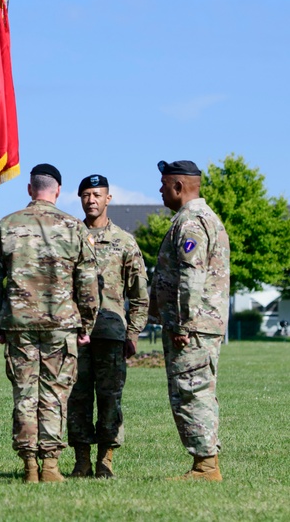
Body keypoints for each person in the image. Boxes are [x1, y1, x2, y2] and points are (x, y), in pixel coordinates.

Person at [0, 163, 98, 483]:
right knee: (54, 393)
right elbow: (88, 282)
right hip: (61, 323)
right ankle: (50, 465)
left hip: (18, 323)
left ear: (30, 189)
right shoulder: (74, 228)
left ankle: (30, 464)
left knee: (25, 393)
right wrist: (87, 323)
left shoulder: (6, 225)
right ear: (57, 190)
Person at [150, 159, 230, 481]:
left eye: (164, 184)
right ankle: (205, 464)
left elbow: (190, 277)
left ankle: (205, 467)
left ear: (178, 187)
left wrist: (182, 324)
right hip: (201, 324)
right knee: (198, 390)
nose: (160, 190)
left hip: (193, 327)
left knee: (191, 391)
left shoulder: (192, 222)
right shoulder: (203, 217)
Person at [68, 174, 149, 478]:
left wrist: (134, 333)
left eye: (97, 195)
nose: (91, 200)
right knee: (77, 396)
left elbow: (140, 293)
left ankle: (106, 459)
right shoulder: (70, 237)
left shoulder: (125, 242)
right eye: (86, 195)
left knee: (110, 396)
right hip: (76, 332)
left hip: (112, 333)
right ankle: (81, 459)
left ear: (108, 199)